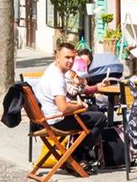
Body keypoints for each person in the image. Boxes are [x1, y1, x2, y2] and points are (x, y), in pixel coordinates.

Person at [35, 39, 108, 168]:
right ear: (57, 57)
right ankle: (78, 155)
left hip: (47, 118)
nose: (70, 61)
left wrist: (77, 104)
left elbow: (59, 100)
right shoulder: (57, 78)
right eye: (67, 57)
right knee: (101, 118)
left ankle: (78, 155)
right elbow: (63, 108)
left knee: (92, 111)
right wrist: (79, 106)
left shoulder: (52, 69)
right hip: (56, 121)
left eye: (72, 58)